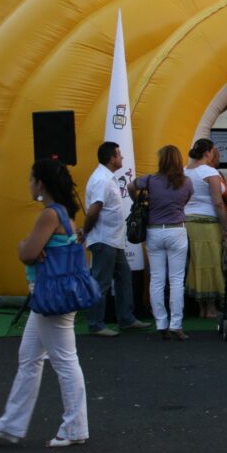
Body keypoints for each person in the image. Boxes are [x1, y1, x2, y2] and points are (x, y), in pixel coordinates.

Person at [0, 160, 89, 447]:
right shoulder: (66, 213)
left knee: (64, 361)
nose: (29, 184)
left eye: (31, 179)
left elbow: (27, 253)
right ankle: (11, 424)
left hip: (50, 299)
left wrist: (23, 246)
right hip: (56, 296)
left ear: (40, 184)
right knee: (30, 357)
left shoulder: (49, 215)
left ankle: (74, 428)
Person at [82, 142, 148, 337]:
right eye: (119, 155)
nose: (121, 158)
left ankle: (126, 318)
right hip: (104, 239)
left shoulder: (106, 177)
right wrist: (85, 231)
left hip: (113, 239)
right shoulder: (102, 180)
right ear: (112, 158)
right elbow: (94, 209)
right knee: (102, 282)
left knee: (123, 277)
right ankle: (95, 323)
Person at [130, 146, 193, 340]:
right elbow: (186, 201)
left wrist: (140, 202)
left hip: (154, 231)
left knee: (157, 279)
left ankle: (161, 323)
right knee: (176, 280)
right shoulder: (186, 182)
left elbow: (132, 187)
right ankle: (176, 324)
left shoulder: (149, 180)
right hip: (177, 230)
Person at [184, 138, 227, 320]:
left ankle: (201, 307)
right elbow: (219, 202)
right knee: (211, 264)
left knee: (196, 264)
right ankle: (211, 309)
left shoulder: (184, 171)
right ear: (208, 152)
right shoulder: (210, 172)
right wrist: (226, 228)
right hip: (208, 223)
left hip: (188, 222)